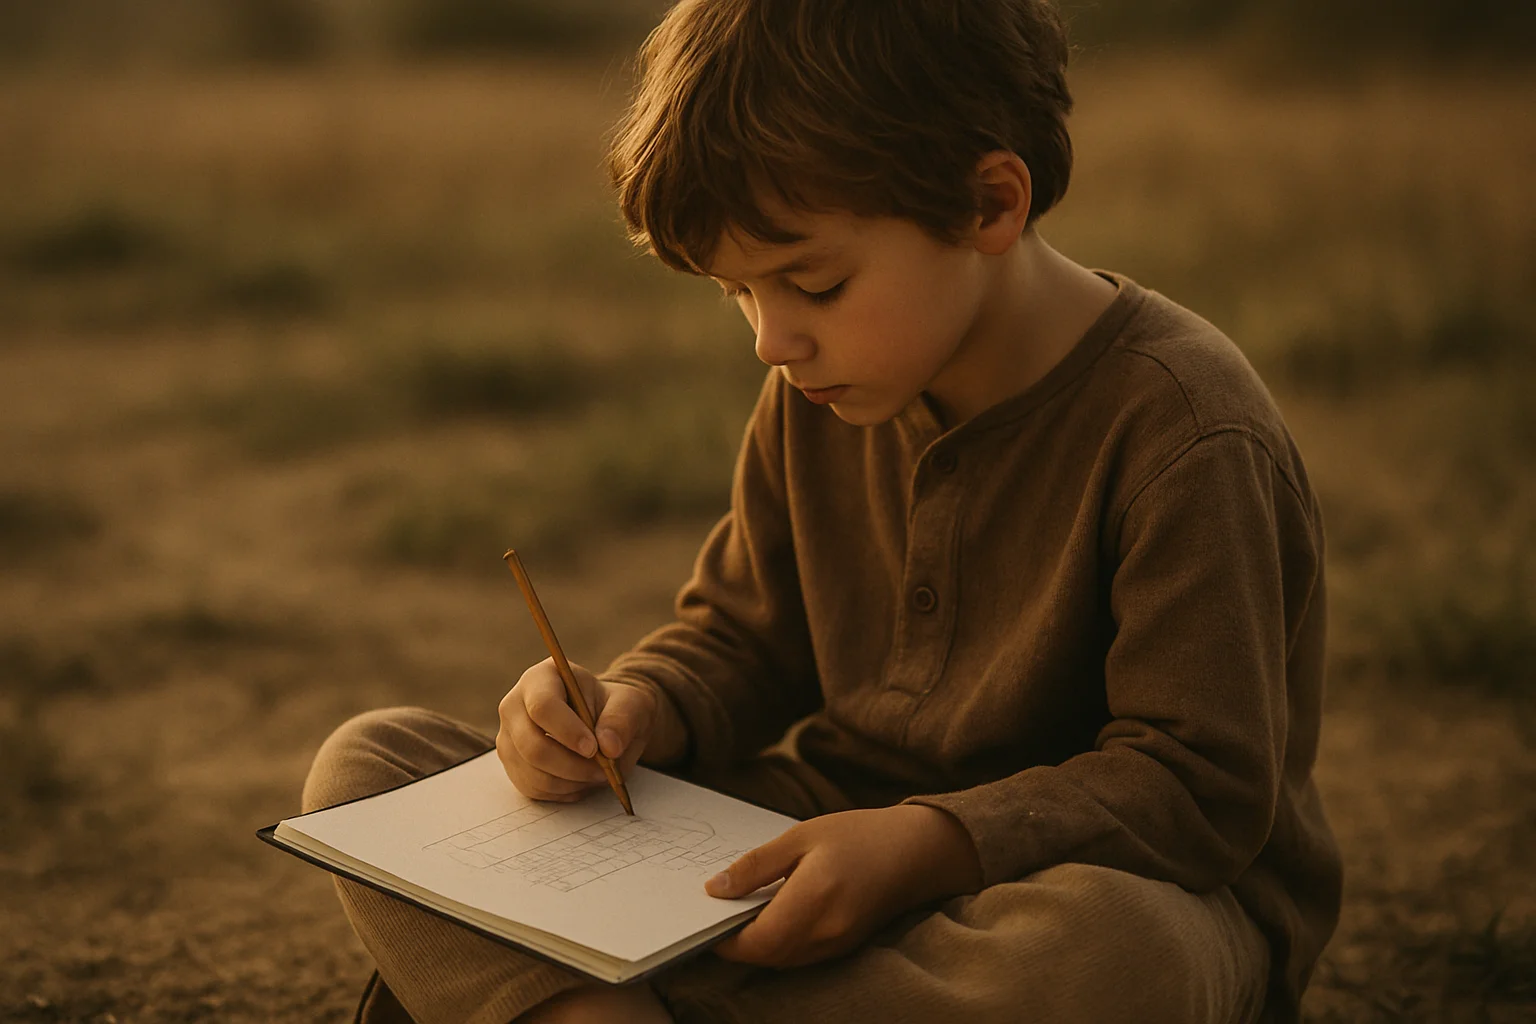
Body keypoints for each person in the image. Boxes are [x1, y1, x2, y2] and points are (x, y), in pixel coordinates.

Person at [300, 1, 1343, 1021]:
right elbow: (744, 638)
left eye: (815, 282)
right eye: (740, 294)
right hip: (812, 847)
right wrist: (632, 710)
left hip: (1084, 886)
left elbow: (1198, 787)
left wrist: (926, 845)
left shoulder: (1186, 430)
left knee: (1116, 952)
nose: (771, 341)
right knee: (371, 767)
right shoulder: (819, 392)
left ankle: (566, 987)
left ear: (989, 205)